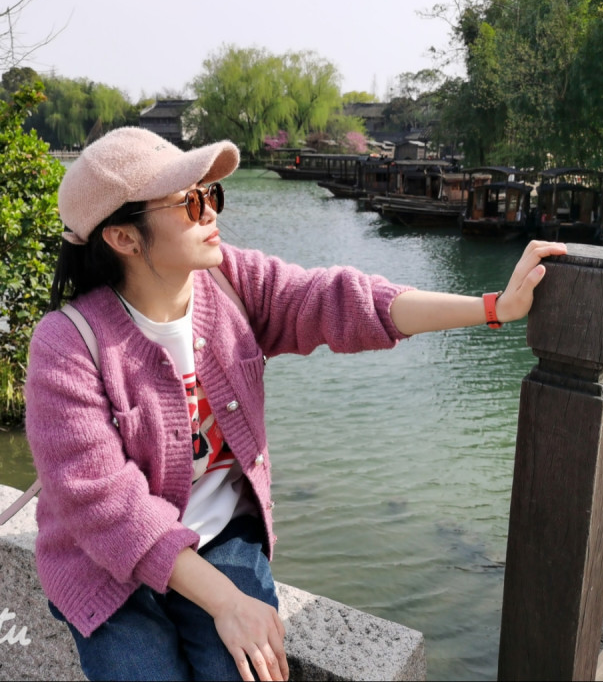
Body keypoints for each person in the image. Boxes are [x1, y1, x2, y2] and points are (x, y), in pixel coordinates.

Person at [24, 127, 566, 682]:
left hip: (221, 536)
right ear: (123, 238)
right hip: (108, 567)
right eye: (189, 202)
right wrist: (228, 603)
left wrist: (494, 307)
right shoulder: (68, 345)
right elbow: (107, 507)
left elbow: (339, 301)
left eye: (211, 194)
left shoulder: (231, 283)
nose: (211, 212)